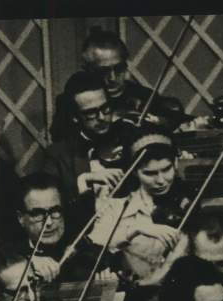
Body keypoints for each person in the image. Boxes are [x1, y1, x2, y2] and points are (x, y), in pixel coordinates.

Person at [88, 126, 192, 285]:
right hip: (132, 294)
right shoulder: (116, 206)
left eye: (166, 169)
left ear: (176, 163)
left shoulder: (187, 203)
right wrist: (134, 230)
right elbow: (94, 245)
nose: (161, 180)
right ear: (135, 172)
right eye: (149, 173)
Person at [49, 28, 188, 142]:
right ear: (87, 70)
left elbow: (175, 119)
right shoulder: (72, 100)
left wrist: (160, 122)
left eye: (119, 68)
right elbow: (61, 139)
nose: (113, 78)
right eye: (103, 71)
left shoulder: (143, 95)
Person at [43, 70, 123, 202]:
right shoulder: (57, 155)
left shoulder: (127, 142)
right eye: (91, 113)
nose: (102, 117)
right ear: (75, 117)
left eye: (105, 108)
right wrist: (84, 180)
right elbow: (50, 202)